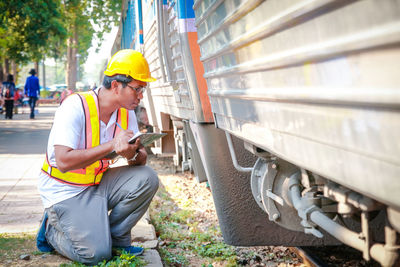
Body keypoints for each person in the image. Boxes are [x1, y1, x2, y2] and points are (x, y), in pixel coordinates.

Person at [36, 49, 159, 265]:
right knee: (95, 255)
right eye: (137, 89)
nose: (141, 96)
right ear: (115, 85)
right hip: (65, 191)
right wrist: (111, 145)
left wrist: (135, 154)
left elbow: (140, 162)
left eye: (143, 90)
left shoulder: (125, 111)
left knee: (146, 177)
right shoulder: (75, 106)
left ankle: (116, 240)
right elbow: (63, 161)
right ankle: (50, 231)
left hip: (97, 183)